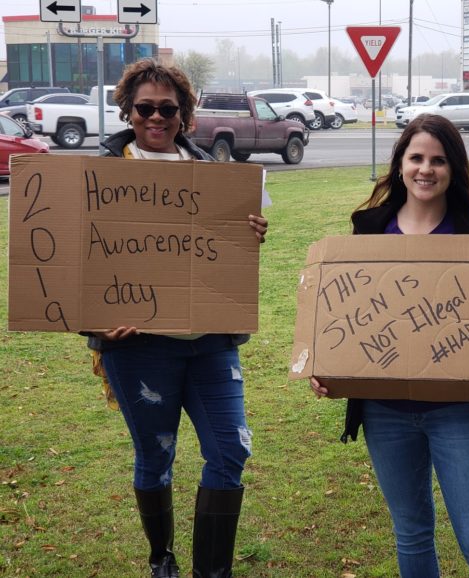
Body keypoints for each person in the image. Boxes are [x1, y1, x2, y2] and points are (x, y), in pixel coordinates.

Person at [310, 114, 469, 578]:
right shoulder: (368, 232)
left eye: (439, 160)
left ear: (454, 169)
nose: (426, 169)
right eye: (417, 157)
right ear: (400, 163)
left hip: (460, 411)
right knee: (411, 533)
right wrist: (328, 370)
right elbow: (348, 317)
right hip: (386, 414)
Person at [87, 59, 268, 578]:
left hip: (210, 342)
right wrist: (97, 324)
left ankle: (212, 572)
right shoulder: (102, 172)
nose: (157, 117)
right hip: (138, 347)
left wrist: (249, 232)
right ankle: (161, 558)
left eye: (169, 109)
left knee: (230, 451)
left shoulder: (214, 174)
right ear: (129, 110)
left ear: (185, 114)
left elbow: (233, 249)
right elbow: (76, 265)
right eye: (146, 108)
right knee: (155, 457)